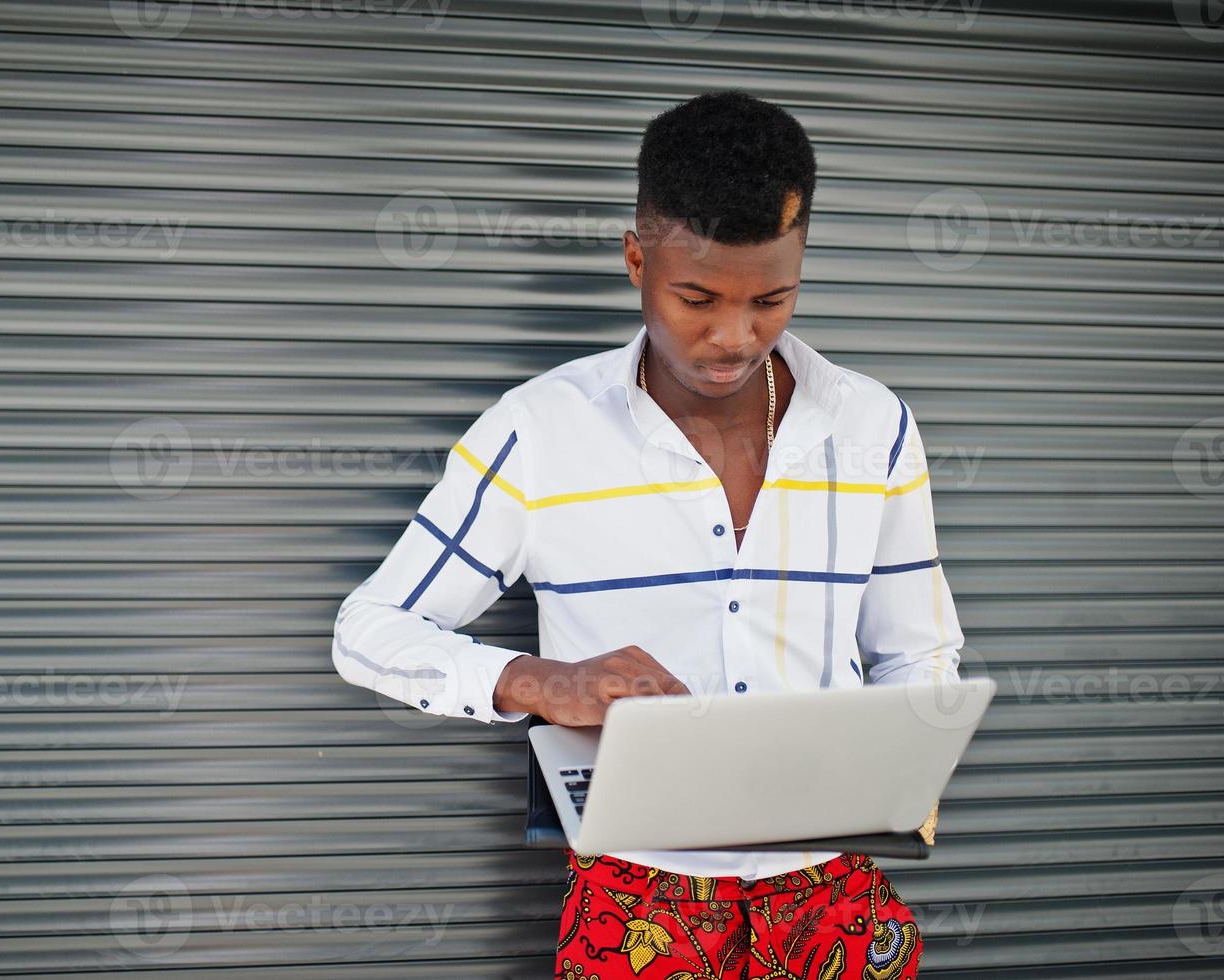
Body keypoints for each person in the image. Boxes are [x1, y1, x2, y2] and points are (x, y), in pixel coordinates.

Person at [333, 89, 962, 979]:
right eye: (696, 297)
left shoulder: (873, 425)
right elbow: (368, 630)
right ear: (636, 259)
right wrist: (542, 680)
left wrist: (906, 777)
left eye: (770, 299)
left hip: (832, 891)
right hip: (640, 902)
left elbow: (916, 650)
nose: (732, 338)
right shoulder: (538, 432)